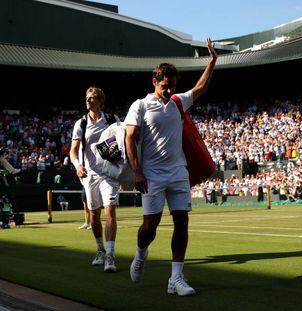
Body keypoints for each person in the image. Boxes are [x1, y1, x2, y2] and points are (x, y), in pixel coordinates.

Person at [124, 37, 217, 296]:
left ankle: (176, 279)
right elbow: (129, 137)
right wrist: (137, 171)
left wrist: (212, 61)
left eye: (173, 86)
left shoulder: (177, 102)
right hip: (151, 175)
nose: (169, 90)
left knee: (182, 222)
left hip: (178, 172)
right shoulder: (140, 106)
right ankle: (141, 255)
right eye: (165, 86)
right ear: (154, 81)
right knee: (148, 229)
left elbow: (199, 88)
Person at [69, 87, 120, 273]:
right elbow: (73, 150)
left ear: (100, 101)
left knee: (110, 212)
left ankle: (110, 255)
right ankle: (100, 249)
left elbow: (122, 143)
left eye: (92, 98)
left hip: (109, 175)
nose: (88, 101)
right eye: (87, 98)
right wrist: (77, 166)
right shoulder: (80, 124)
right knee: (94, 216)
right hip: (89, 175)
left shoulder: (113, 120)